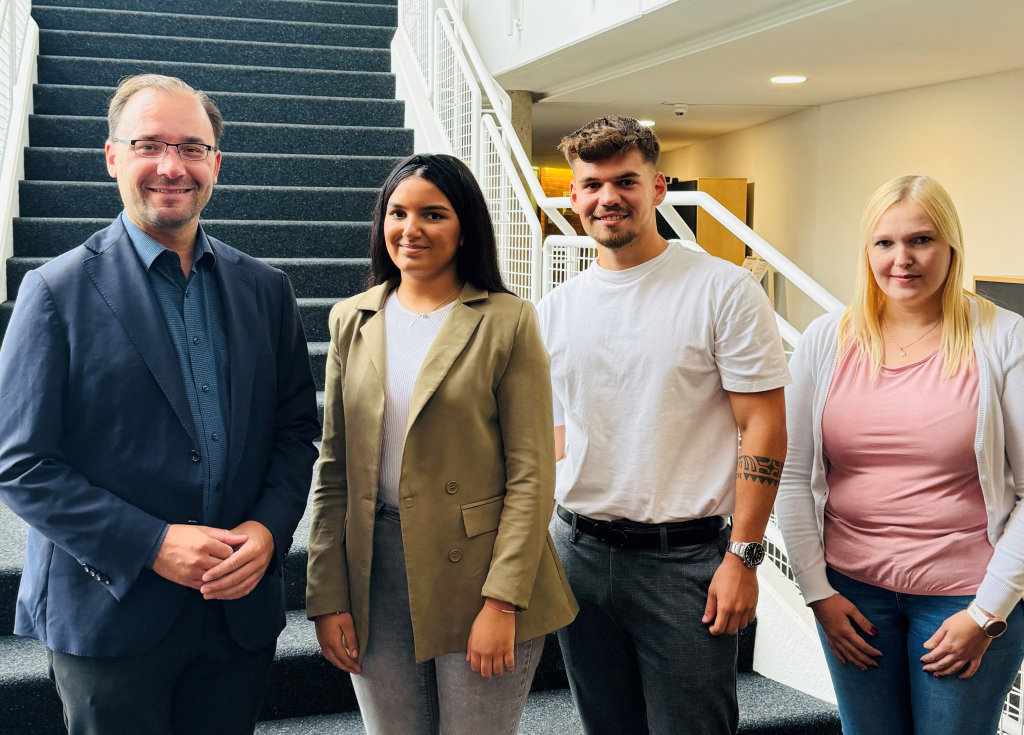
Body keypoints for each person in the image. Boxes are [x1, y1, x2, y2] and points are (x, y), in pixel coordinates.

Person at [0, 74, 320, 735]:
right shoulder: (54, 291)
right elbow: (22, 463)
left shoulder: (266, 289)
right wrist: (153, 544)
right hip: (111, 610)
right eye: (149, 145)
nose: (171, 167)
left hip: (236, 610)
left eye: (191, 148)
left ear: (215, 164)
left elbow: (294, 434)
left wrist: (266, 531)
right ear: (113, 155)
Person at [306, 153, 577, 735]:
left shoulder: (507, 320)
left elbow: (531, 476)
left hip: (479, 569)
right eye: (398, 213)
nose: (412, 229)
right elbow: (334, 469)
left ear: (464, 228)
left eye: (434, 214)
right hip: (374, 568)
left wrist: (503, 602)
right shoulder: (351, 319)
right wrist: (327, 595)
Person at [537, 115, 791, 734]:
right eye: (592, 185)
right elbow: (556, 436)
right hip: (578, 553)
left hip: (686, 563)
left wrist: (744, 557)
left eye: (626, 181)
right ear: (574, 197)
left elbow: (763, 426)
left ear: (658, 187)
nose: (607, 198)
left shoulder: (722, 289)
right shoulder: (556, 307)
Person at [776, 174, 1024, 735]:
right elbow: (792, 477)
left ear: (951, 247)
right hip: (853, 597)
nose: (902, 259)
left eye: (921, 240)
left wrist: (986, 616)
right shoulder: (826, 338)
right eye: (885, 243)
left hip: (964, 598)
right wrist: (817, 593)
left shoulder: (1004, 338)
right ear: (867, 251)